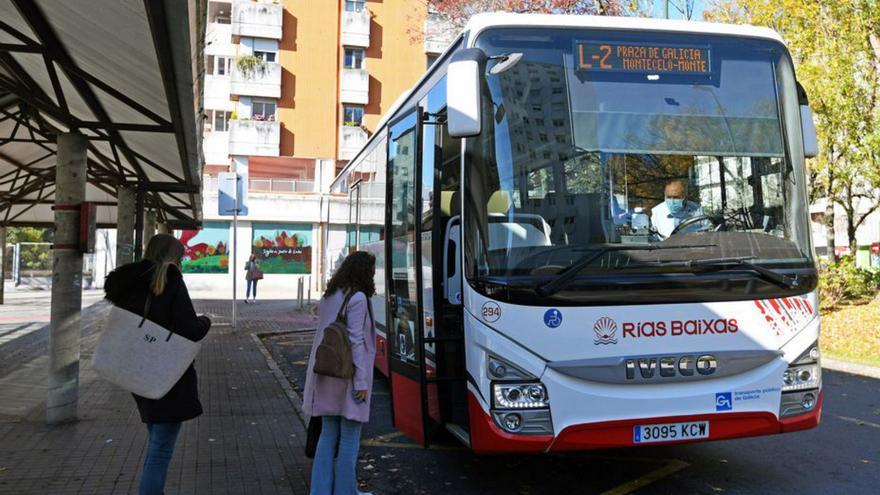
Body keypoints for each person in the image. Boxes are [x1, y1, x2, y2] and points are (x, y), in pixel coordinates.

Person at [104, 234, 212, 495]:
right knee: (160, 450)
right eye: (181, 256)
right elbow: (190, 329)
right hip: (165, 371)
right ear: (172, 257)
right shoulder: (171, 281)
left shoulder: (127, 283)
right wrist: (205, 321)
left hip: (136, 369)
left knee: (156, 437)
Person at [303, 251, 377, 495]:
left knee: (327, 434)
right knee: (349, 438)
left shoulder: (331, 294)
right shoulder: (357, 298)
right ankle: (346, 492)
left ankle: (320, 491)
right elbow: (356, 340)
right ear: (365, 272)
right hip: (348, 376)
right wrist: (362, 381)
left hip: (325, 372)